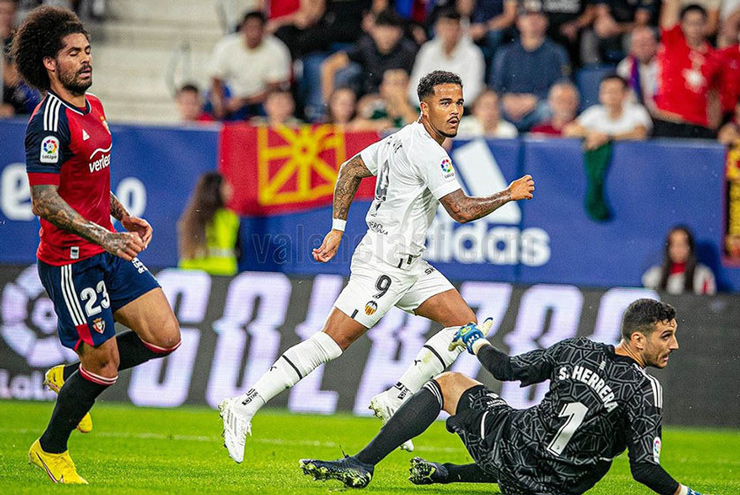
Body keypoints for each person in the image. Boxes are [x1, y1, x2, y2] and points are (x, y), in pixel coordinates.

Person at [218, 70, 535, 464]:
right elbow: (460, 210)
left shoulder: (400, 137)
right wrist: (509, 194)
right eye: (445, 103)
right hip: (383, 265)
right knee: (330, 343)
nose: (455, 111)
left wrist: (337, 229)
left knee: (463, 325)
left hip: (409, 264)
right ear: (425, 107)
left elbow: (350, 168)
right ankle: (243, 405)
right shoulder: (428, 152)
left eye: (458, 102)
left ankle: (396, 397)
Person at [300, 299, 712, 495]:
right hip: (554, 488)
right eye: (667, 336)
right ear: (637, 340)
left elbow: (507, 370)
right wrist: (687, 494)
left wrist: (475, 341)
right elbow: (644, 470)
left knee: (449, 384)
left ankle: (361, 464)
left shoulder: (576, 348)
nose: (674, 345)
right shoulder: (644, 389)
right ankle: (447, 474)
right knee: (546, 458)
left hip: (512, 447)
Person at [13, 6, 181, 484]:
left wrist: (121, 215)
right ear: (49, 63)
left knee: (164, 336)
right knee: (105, 362)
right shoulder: (48, 122)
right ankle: (50, 449)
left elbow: (87, 179)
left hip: (107, 247)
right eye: (73, 53)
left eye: (87, 50)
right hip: (71, 262)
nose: (86, 60)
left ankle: (69, 378)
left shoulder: (96, 106)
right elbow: (45, 200)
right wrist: (104, 234)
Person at [491, 6, 571, 131]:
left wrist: (535, 100)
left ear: (546, 22)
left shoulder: (557, 53)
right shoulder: (505, 52)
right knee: (489, 108)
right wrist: (507, 99)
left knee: (549, 111)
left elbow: (563, 85)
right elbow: (496, 86)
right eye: (527, 17)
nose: (533, 21)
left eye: (538, 17)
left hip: (540, 105)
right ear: (518, 22)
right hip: (509, 105)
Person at [652, 0, 722, 139]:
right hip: (668, 120)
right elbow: (671, 6)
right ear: (682, 24)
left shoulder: (715, 58)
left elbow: (714, 97)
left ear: (706, 24)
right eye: (690, 23)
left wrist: (713, 128)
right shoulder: (672, 41)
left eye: (699, 23)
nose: (694, 28)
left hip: (698, 125)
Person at [209, 10, 291, 120]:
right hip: (233, 92)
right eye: (250, 28)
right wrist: (219, 103)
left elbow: (274, 88)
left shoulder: (277, 50)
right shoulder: (226, 46)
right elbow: (216, 78)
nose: (254, 33)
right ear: (243, 28)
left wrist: (244, 100)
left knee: (275, 105)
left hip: (262, 96)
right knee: (209, 105)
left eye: (257, 28)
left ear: (264, 30)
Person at [321, 9, 417, 102]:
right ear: (374, 30)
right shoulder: (365, 46)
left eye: (391, 30)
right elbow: (330, 65)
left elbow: (415, 81)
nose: (386, 35)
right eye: (383, 29)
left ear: (400, 32)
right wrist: (329, 103)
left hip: (397, 100)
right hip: (366, 100)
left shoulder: (409, 51)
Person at [408, 8, 485, 106]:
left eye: (454, 27)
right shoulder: (428, 50)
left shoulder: (473, 54)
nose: (450, 32)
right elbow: (416, 86)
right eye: (446, 27)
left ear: (461, 30)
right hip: (429, 108)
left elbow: (472, 91)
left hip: (460, 110)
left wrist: (446, 104)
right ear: (437, 28)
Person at [564, 74, 652, 149]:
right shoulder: (594, 112)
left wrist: (608, 137)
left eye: (614, 91)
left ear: (625, 94)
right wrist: (592, 134)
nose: (610, 95)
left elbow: (640, 134)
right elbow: (570, 130)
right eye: (606, 91)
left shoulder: (637, 111)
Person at [178, 172, 241, 276]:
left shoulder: (189, 218)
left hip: (191, 275)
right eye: (226, 185)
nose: (231, 189)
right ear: (216, 190)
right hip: (221, 276)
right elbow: (239, 253)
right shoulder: (230, 219)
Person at [643, 225, 716, 295]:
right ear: (668, 248)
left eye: (682, 244)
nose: (678, 249)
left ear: (690, 247)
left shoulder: (703, 276)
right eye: (674, 244)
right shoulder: (653, 276)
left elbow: (708, 305)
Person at [616, 26, 659, 112]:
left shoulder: (666, 64)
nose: (643, 48)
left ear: (656, 44)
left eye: (647, 43)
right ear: (632, 48)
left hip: (663, 112)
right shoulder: (625, 66)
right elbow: (623, 95)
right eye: (638, 44)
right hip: (636, 112)